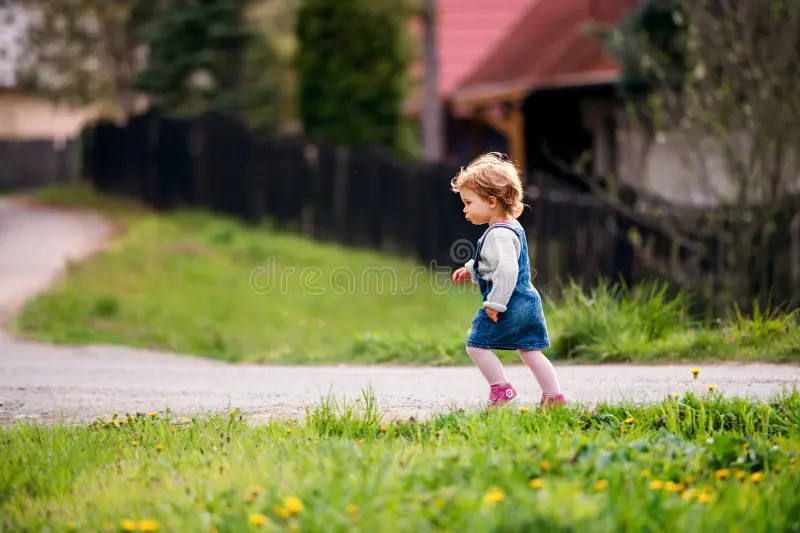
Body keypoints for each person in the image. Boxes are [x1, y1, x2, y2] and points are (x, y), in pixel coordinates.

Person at [450, 152, 566, 408]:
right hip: (528, 303)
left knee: (476, 344)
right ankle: (553, 396)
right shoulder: (511, 226)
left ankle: (501, 390)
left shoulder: (499, 234)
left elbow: (507, 270)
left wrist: (496, 303)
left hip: (509, 305)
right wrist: (471, 268)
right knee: (530, 352)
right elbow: (492, 261)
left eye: (469, 202)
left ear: (491, 201)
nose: (464, 208)